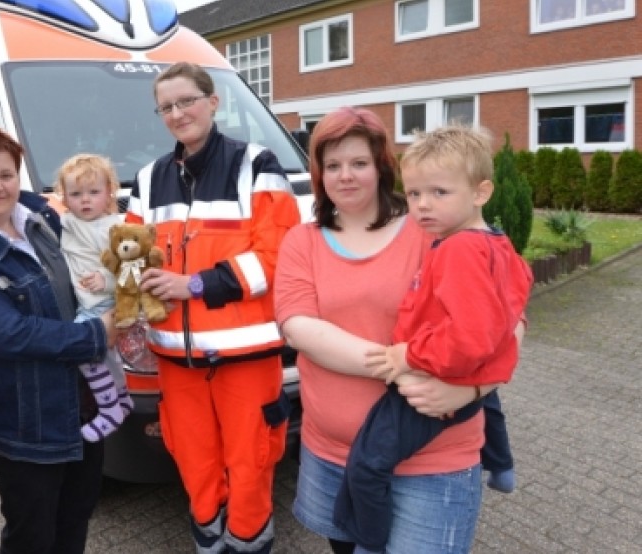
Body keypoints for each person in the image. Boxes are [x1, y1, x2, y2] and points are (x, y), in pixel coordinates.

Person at [274, 107, 515, 554]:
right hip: (333, 456)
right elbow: (300, 327)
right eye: (332, 165)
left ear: (381, 166)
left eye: (359, 163)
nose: (345, 176)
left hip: (432, 458)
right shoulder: (301, 241)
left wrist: (474, 389)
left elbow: (509, 321)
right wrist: (399, 368)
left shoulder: (433, 226)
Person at [125, 61, 300, 554]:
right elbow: (130, 258)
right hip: (174, 359)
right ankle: (208, 535)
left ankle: (248, 540)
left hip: (245, 355)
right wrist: (125, 296)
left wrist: (195, 285)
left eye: (187, 101)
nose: (178, 113)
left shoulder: (258, 165)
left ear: (213, 102)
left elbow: (275, 258)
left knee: (251, 458)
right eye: (167, 107)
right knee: (193, 456)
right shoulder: (146, 177)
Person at [333, 125, 533, 553]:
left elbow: (469, 340)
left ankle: (367, 540)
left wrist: (407, 355)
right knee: (488, 405)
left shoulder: (459, 250)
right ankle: (501, 465)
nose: (423, 206)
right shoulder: (497, 244)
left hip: (431, 380)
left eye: (439, 193)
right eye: (415, 194)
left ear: (481, 192)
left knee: (366, 464)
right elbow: (514, 304)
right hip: (474, 381)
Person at [0, 126, 117, 554]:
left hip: (83, 407)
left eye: (6, 174)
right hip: (24, 424)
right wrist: (97, 333)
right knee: (32, 535)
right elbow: (10, 335)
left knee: (74, 520)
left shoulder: (44, 217)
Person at [55, 153, 133, 441]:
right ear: (64, 196)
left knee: (81, 348)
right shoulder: (69, 222)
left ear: (110, 191)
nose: (84, 200)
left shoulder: (113, 227)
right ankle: (122, 399)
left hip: (103, 302)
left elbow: (132, 267)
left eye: (93, 192)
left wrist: (107, 279)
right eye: (76, 194)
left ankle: (109, 409)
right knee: (108, 357)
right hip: (89, 302)